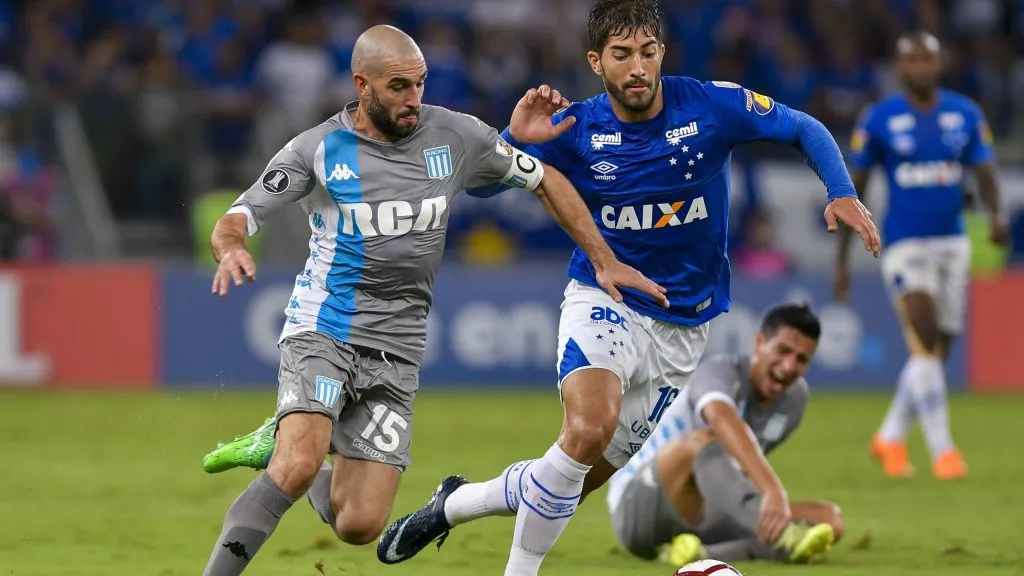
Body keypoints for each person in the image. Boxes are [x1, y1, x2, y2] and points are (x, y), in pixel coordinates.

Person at [377, 2, 879, 575]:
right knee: (589, 428)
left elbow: (802, 126)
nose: (637, 67)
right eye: (621, 55)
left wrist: (840, 189)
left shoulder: (711, 105)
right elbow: (484, 190)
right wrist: (513, 138)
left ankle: (456, 503)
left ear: (661, 53)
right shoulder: (576, 127)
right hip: (605, 296)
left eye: (647, 52)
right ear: (596, 61)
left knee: (572, 478)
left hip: (684, 326)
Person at [198, 24, 666, 576]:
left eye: (419, 85)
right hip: (326, 326)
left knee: (358, 524)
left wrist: (604, 257)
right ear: (362, 85)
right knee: (299, 464)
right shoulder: (316, 149)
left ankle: (285, 441)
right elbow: (238, 216)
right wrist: (230, 248)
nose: (413, 100)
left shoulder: (455, 136)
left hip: (398, 349)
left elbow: (545, 179)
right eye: (398, 87)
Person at [834, 31, 1007, 480]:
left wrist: (997, 213)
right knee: (926, 334)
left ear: (940, 62)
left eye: (928, 59)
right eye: (912, 60)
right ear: (900, 67)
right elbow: (855, 187)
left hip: (953, 242)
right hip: (905, 244)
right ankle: (943, 451)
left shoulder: (964, 113)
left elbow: (984, 169)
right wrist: (841, 261)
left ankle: (890, 436)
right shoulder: (880, 118)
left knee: (932, 352)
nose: (921, 67)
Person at [607, 304, 842, 568]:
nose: (788, 366)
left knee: (828, 519)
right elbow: (721, 419)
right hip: (639, 506)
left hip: (705, 509)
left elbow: (736, 471)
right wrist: (772, 491)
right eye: (783, 350)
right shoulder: (717, 372)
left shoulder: (794, 401)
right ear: (759, 341)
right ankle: (784, 537)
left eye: (801, 359)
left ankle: (703, 555)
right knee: (705, 440)